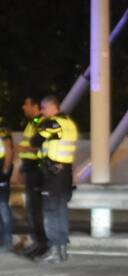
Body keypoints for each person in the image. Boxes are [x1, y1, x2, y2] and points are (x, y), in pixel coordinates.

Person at [32, 96, 78, 263]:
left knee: (50, 212)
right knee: (61, 210)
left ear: (52, 107)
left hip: (53, 173)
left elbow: (35, 140)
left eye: (43, 109)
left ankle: (54, 250)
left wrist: (41, 124)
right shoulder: (70, 123)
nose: (42, 112)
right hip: (66, 172)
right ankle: (63, 250)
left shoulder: (53, 123)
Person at [18, 97, 47, 257]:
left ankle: (42, 245)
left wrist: (24, 147)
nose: (23, 107)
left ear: (35, 106)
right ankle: (38, 243)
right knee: (31, 209)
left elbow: (39, 147)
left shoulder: (41, 123)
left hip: (37, 170)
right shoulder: (32, 124)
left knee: (36, 210)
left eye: (26, 104)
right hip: (30, 169)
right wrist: (22, 169)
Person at [0, 123, 13, 251]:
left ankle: (7, 242)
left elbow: (9, 150)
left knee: (3, 206)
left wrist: (5, 171)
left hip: (0, 173)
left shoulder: (2, 130)